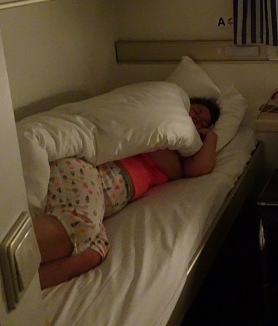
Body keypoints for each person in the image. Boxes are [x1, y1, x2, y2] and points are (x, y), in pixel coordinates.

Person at [33, 97, 221, 289]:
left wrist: (212, 137)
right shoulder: (155, 127)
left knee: (94, 252)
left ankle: (25, 288)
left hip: (98, 195)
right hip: (89, 170)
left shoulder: (180, 151)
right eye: (196, 112)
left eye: (202, 122)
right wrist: (176, 168)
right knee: (82, 224)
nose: (197, 120)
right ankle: (6, 261)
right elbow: (164, 156)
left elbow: (201, 168)